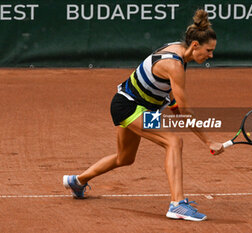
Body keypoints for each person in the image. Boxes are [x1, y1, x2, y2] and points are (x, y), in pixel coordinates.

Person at [63, 9, 224, 222]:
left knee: (125, 158)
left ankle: (77, 181)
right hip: (130, 107)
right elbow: (185, 110)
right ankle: (178, 204)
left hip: (127, 103)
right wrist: (208, 141)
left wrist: (173, 108)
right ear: (195, 46)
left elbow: (162, 89)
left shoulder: (177, 48)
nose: (211, 55)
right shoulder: (174, 65)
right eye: (209, 50)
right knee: (174, 142)